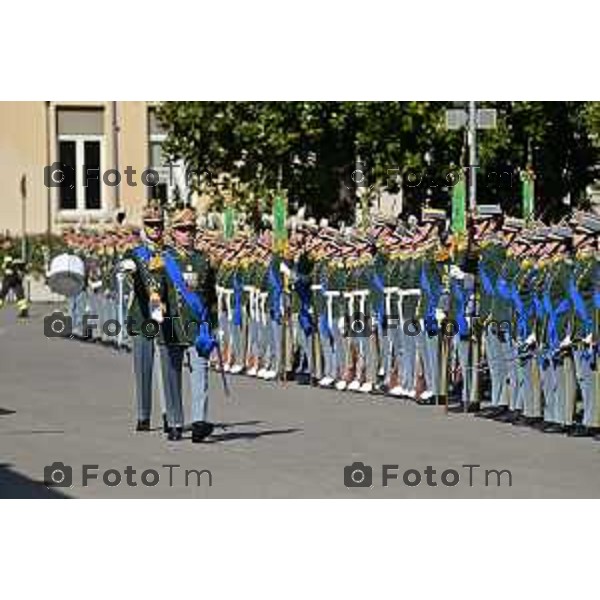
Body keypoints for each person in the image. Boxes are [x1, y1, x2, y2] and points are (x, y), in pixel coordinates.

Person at [159, 205, 217, 443]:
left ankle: (199, 422)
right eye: (182, 229)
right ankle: (174, 422)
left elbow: (210, 295)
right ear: (174, 233)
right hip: (172, 324)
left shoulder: (204, 260)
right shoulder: (164, 261)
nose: (187, 234)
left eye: (191, 229)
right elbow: (156, 293)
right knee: (172, 376)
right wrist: (157, 314)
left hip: (197, 326)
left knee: (200, 373)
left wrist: (213, 325)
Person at [120, 201, 168, 433]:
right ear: (144, 227)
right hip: (143, 315)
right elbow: (122, 267)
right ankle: (143, 414)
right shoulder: (136, 253)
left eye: (158, 224)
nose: (155, 229)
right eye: (150, 224)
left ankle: (170, 413)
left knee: (168, 367)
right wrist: (127, 267)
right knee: (143, 366)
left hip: (166, 315)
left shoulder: (170, 252)